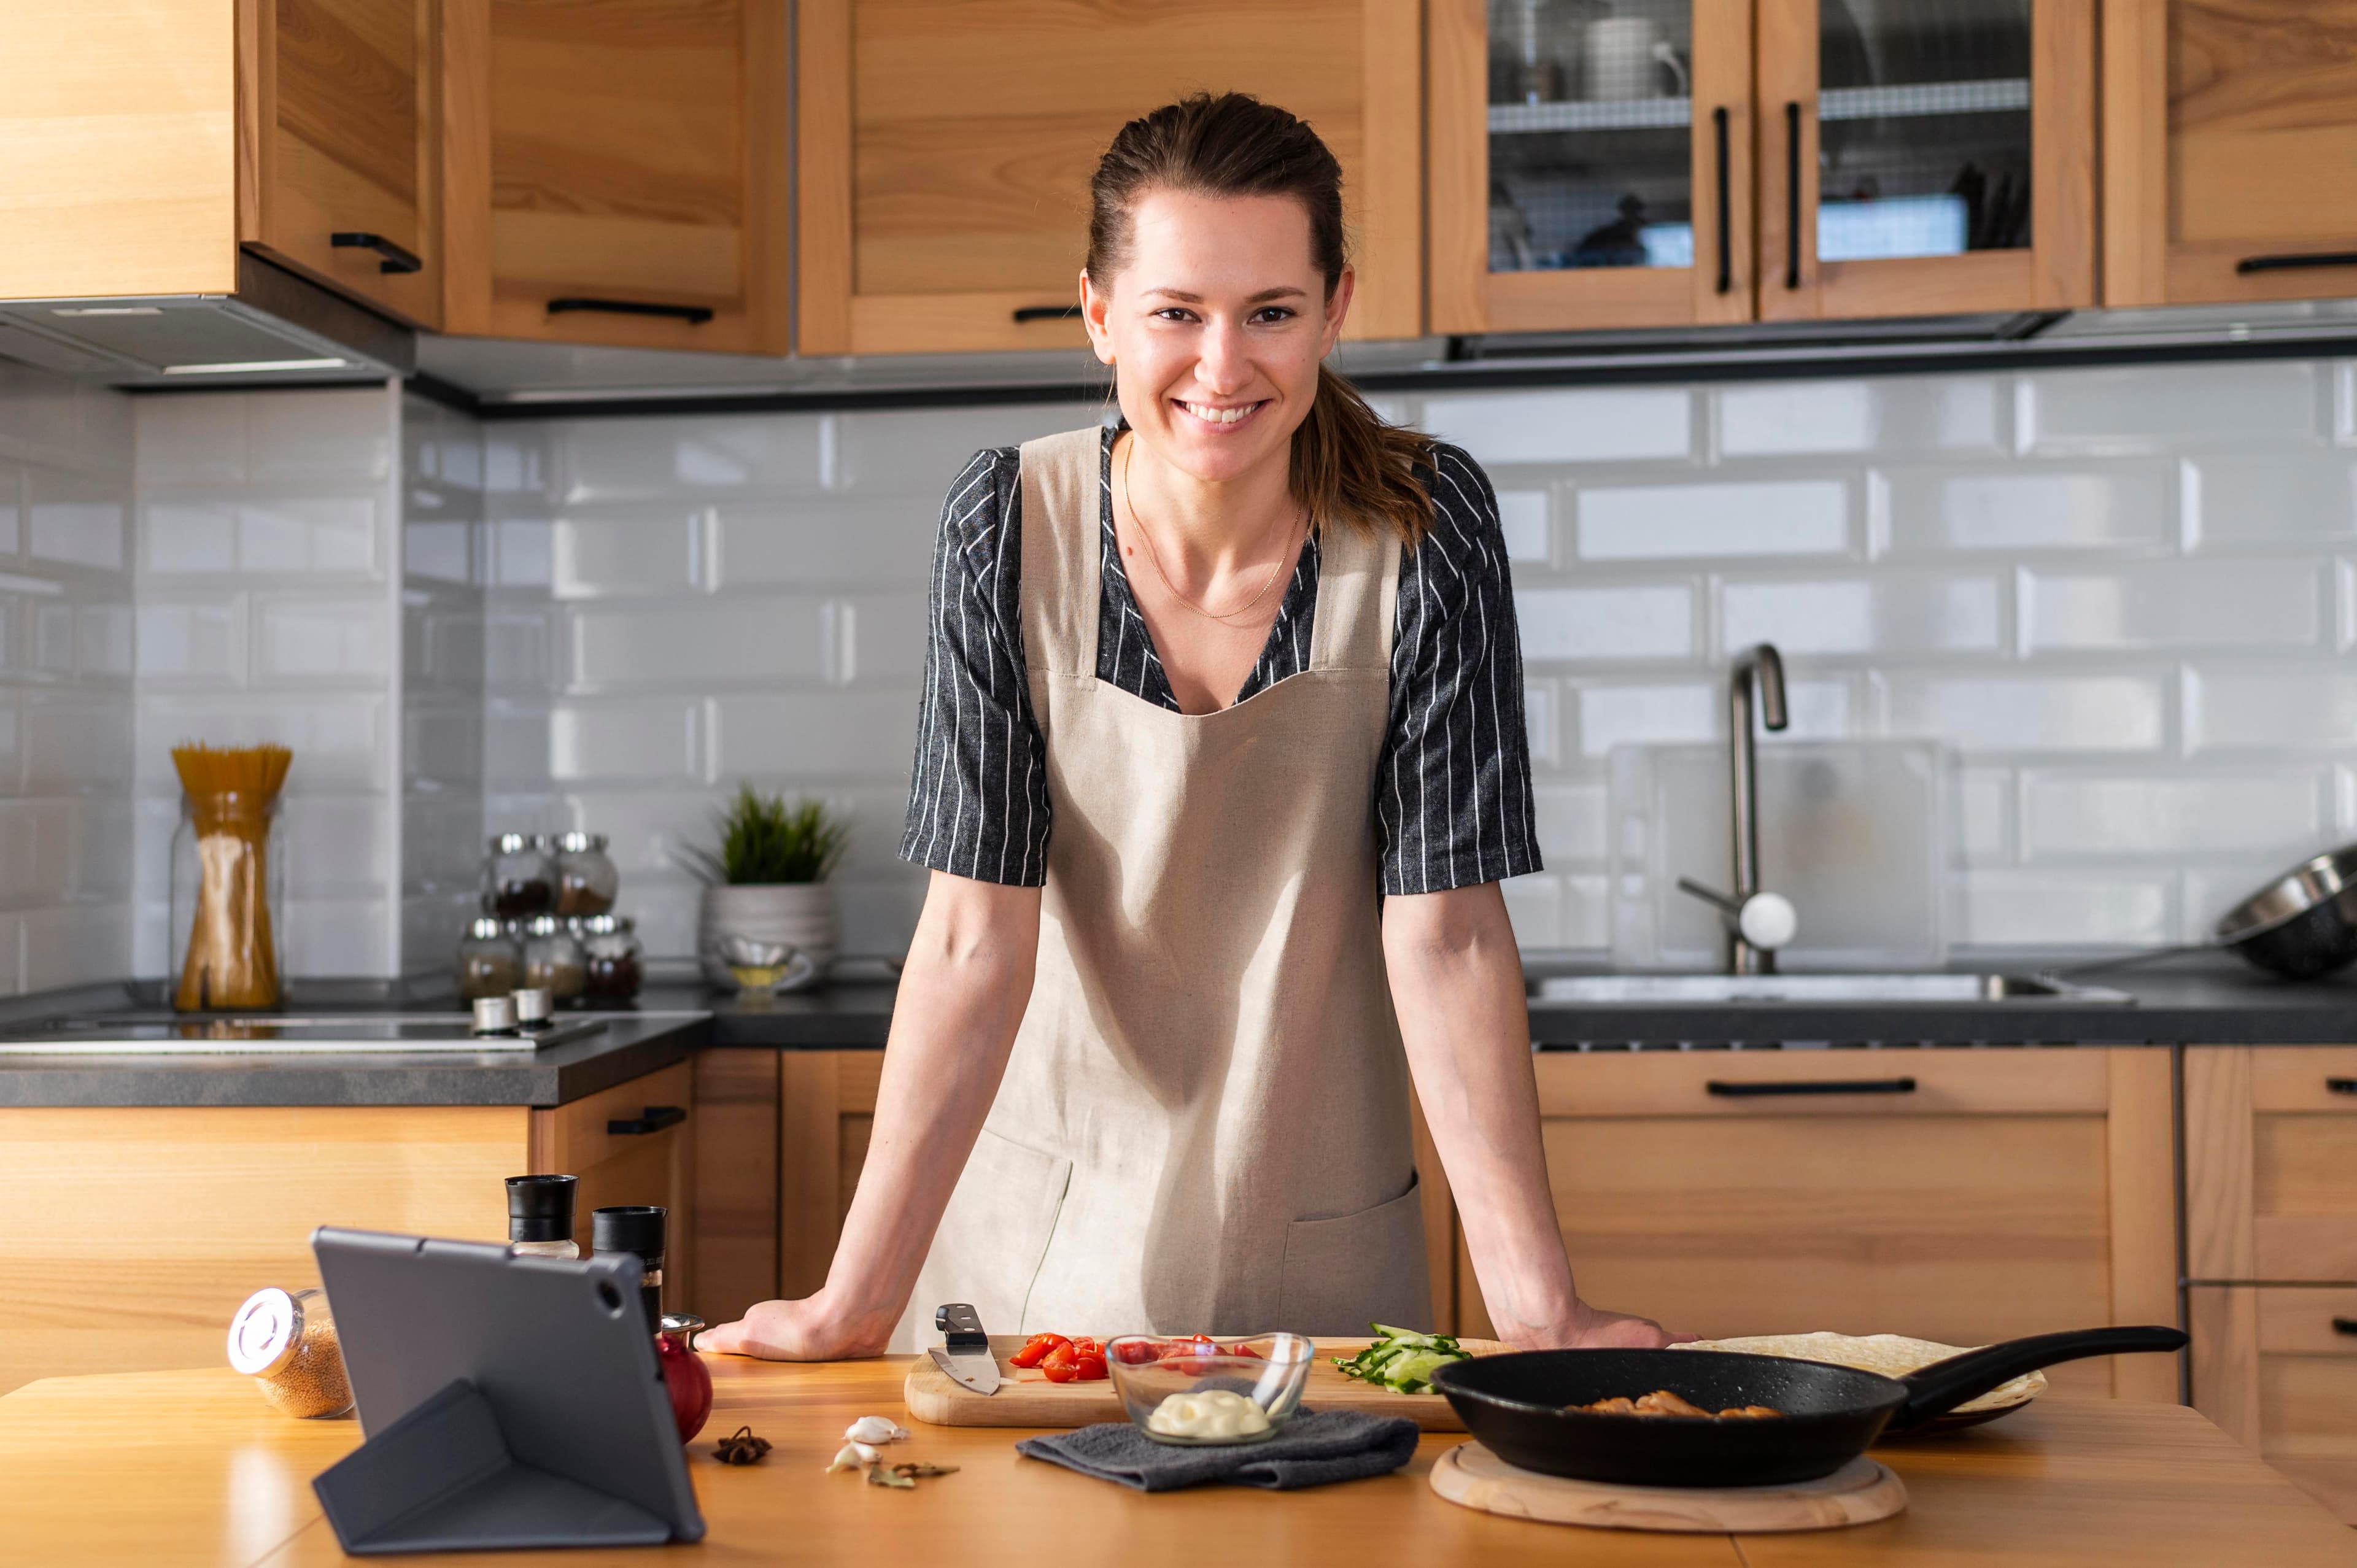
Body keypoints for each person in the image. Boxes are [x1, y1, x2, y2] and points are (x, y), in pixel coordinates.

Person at [701, 93, 1677, 1358]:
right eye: (1177, 313)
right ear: (1101, 313)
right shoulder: (1008, 524)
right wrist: (853, 1306)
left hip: (1316, 1266)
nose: (1224, 367)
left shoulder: (1428, 529)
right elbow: (970, 939)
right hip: (1029, 1281)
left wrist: (1542, 1313)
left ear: (1335, 309)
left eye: (1271, 312)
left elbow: (1448, 936)